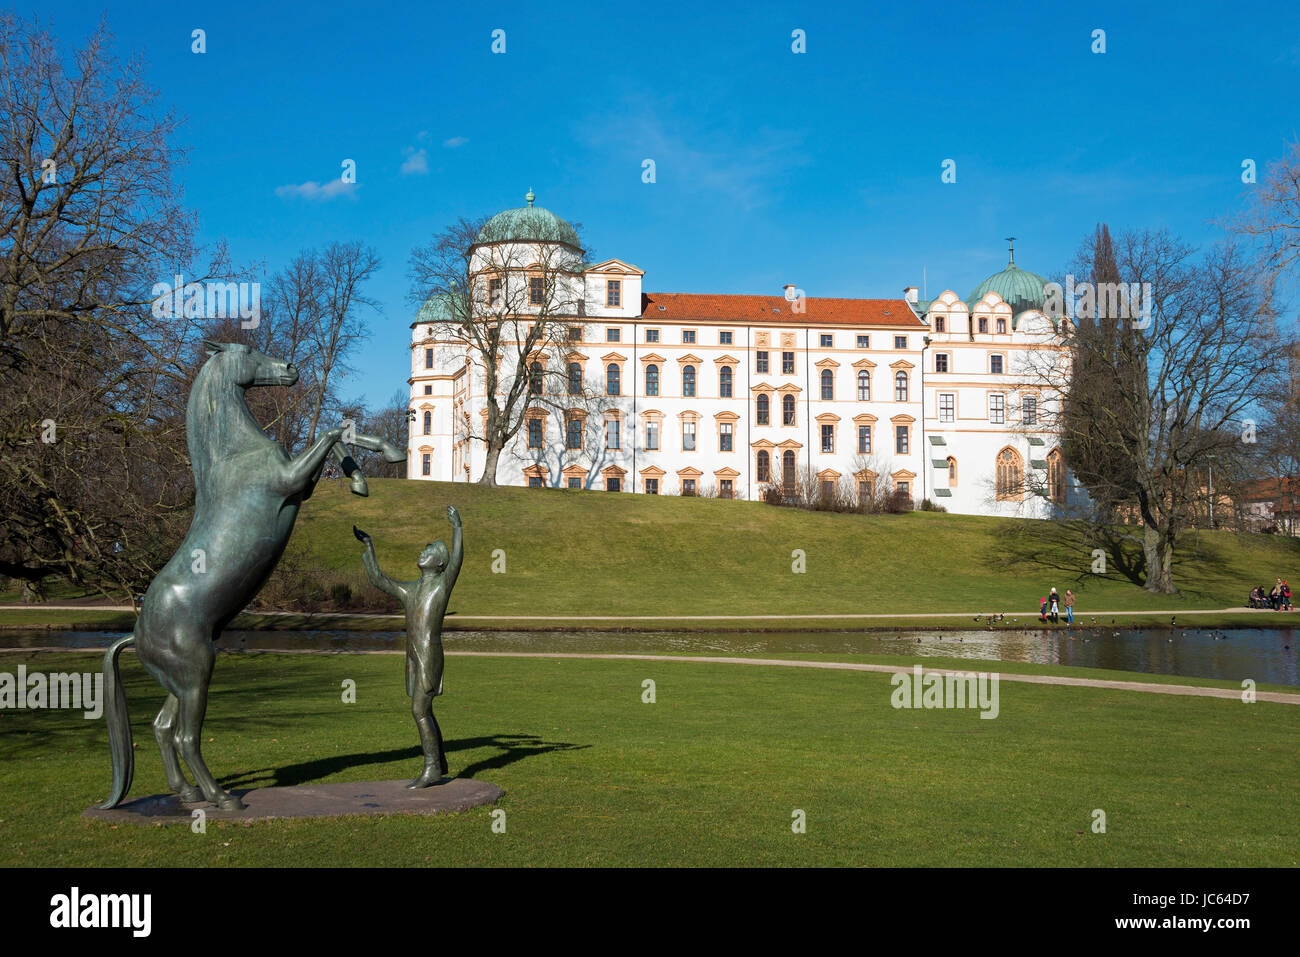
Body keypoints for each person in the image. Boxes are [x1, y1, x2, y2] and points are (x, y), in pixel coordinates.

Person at [354, 505, 464, 788]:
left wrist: (457, 528)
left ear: (439, 564)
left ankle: (431, 769)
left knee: (419, 710)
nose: (422, 552)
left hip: (429, 656)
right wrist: (369, 547)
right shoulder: (410, 590)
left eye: (429, 551)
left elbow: (457, 561)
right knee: (424, 709)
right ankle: (439, 762)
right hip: (413, 657)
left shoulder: (441, 585)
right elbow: (378, 579)